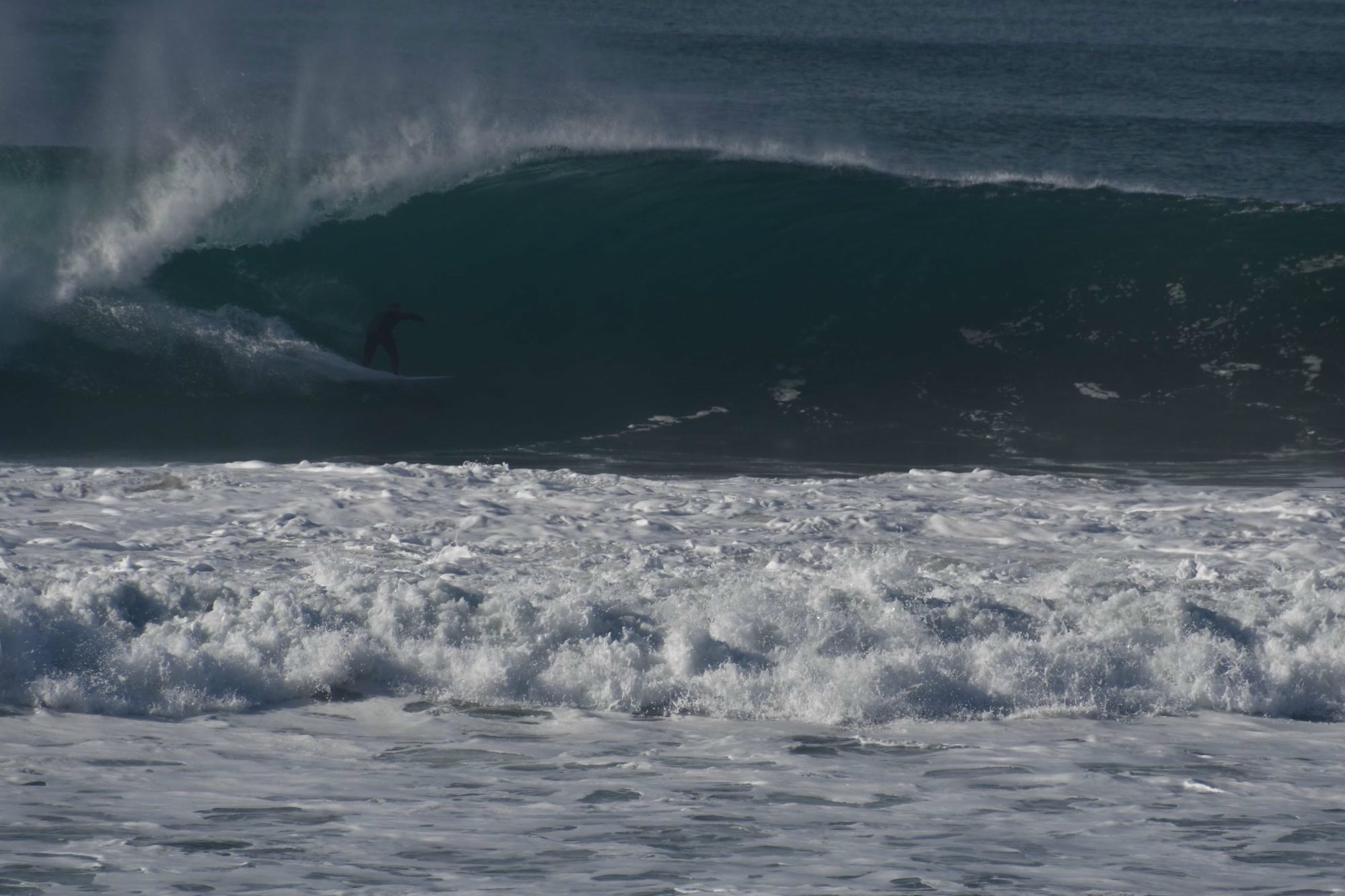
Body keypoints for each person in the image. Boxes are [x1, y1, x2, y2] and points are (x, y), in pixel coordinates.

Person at [362, 303, 425, 374]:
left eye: (397, 309)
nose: (397, 310)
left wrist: (420, 319)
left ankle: (394, 372)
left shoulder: (394, 315)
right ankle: (364, 369)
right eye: (394, 308)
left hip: (378, 335)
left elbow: (409, 315)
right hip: (376, 335)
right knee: (372, 354)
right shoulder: (387, 314)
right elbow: (373, 326)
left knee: (392, 355)